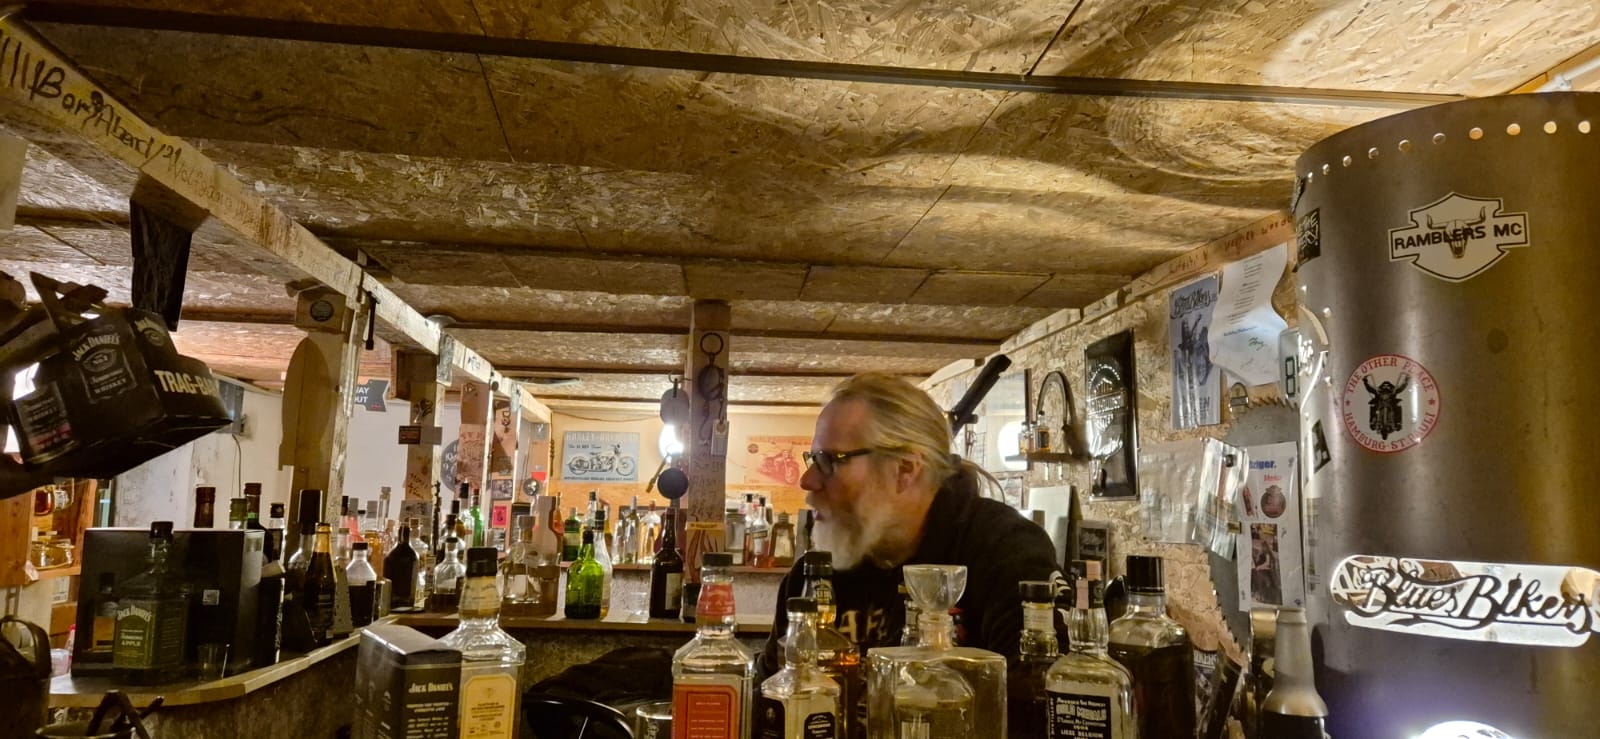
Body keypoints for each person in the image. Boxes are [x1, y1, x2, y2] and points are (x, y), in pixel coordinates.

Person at [759, 373, 1062, 677]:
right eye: (812, 459)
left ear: (904, 470)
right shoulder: (813, 580)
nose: (807, 480)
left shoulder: (1005, 550)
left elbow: (1044, 693)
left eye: (829, 461)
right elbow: (768, 696)